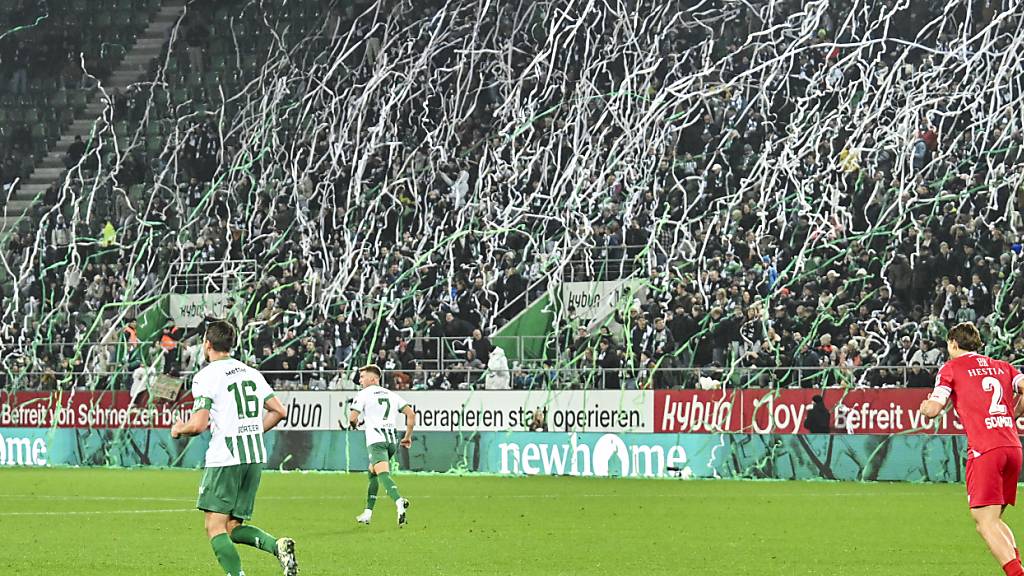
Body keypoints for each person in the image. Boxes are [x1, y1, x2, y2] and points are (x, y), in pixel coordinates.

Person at [170, 321, 298, 576]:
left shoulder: (206, 376)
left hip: (226, 457)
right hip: (254, 457)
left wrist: (178, 428)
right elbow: (279, 411)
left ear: (207, 344)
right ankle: (277, 546)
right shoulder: (251, 372)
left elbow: (198, 425)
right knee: (231, 527)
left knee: (213, 527)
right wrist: (252, 431)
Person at [919, 322, 1024, 576]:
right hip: (1012, 446)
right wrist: (1014, 412)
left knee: (985, 524)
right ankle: (1017, 565)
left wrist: (924, 407)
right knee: (992, 521)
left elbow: (933, 410)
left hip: (985, 450)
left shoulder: (951, 368)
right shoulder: (1003, 367)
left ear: (953, 344)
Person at [350, 364, 416, 527]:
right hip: (391, 441)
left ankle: (399, 501)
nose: (360, 380)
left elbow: (352, 418)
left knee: (382, 474)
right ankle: (367, 513)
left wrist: (354, 423)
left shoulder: (363, 394)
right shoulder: (392, 395)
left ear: (373, 378)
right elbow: (411, 414)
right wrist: (407, 437)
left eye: (362, 377)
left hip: (376, 441)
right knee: (372, 472)